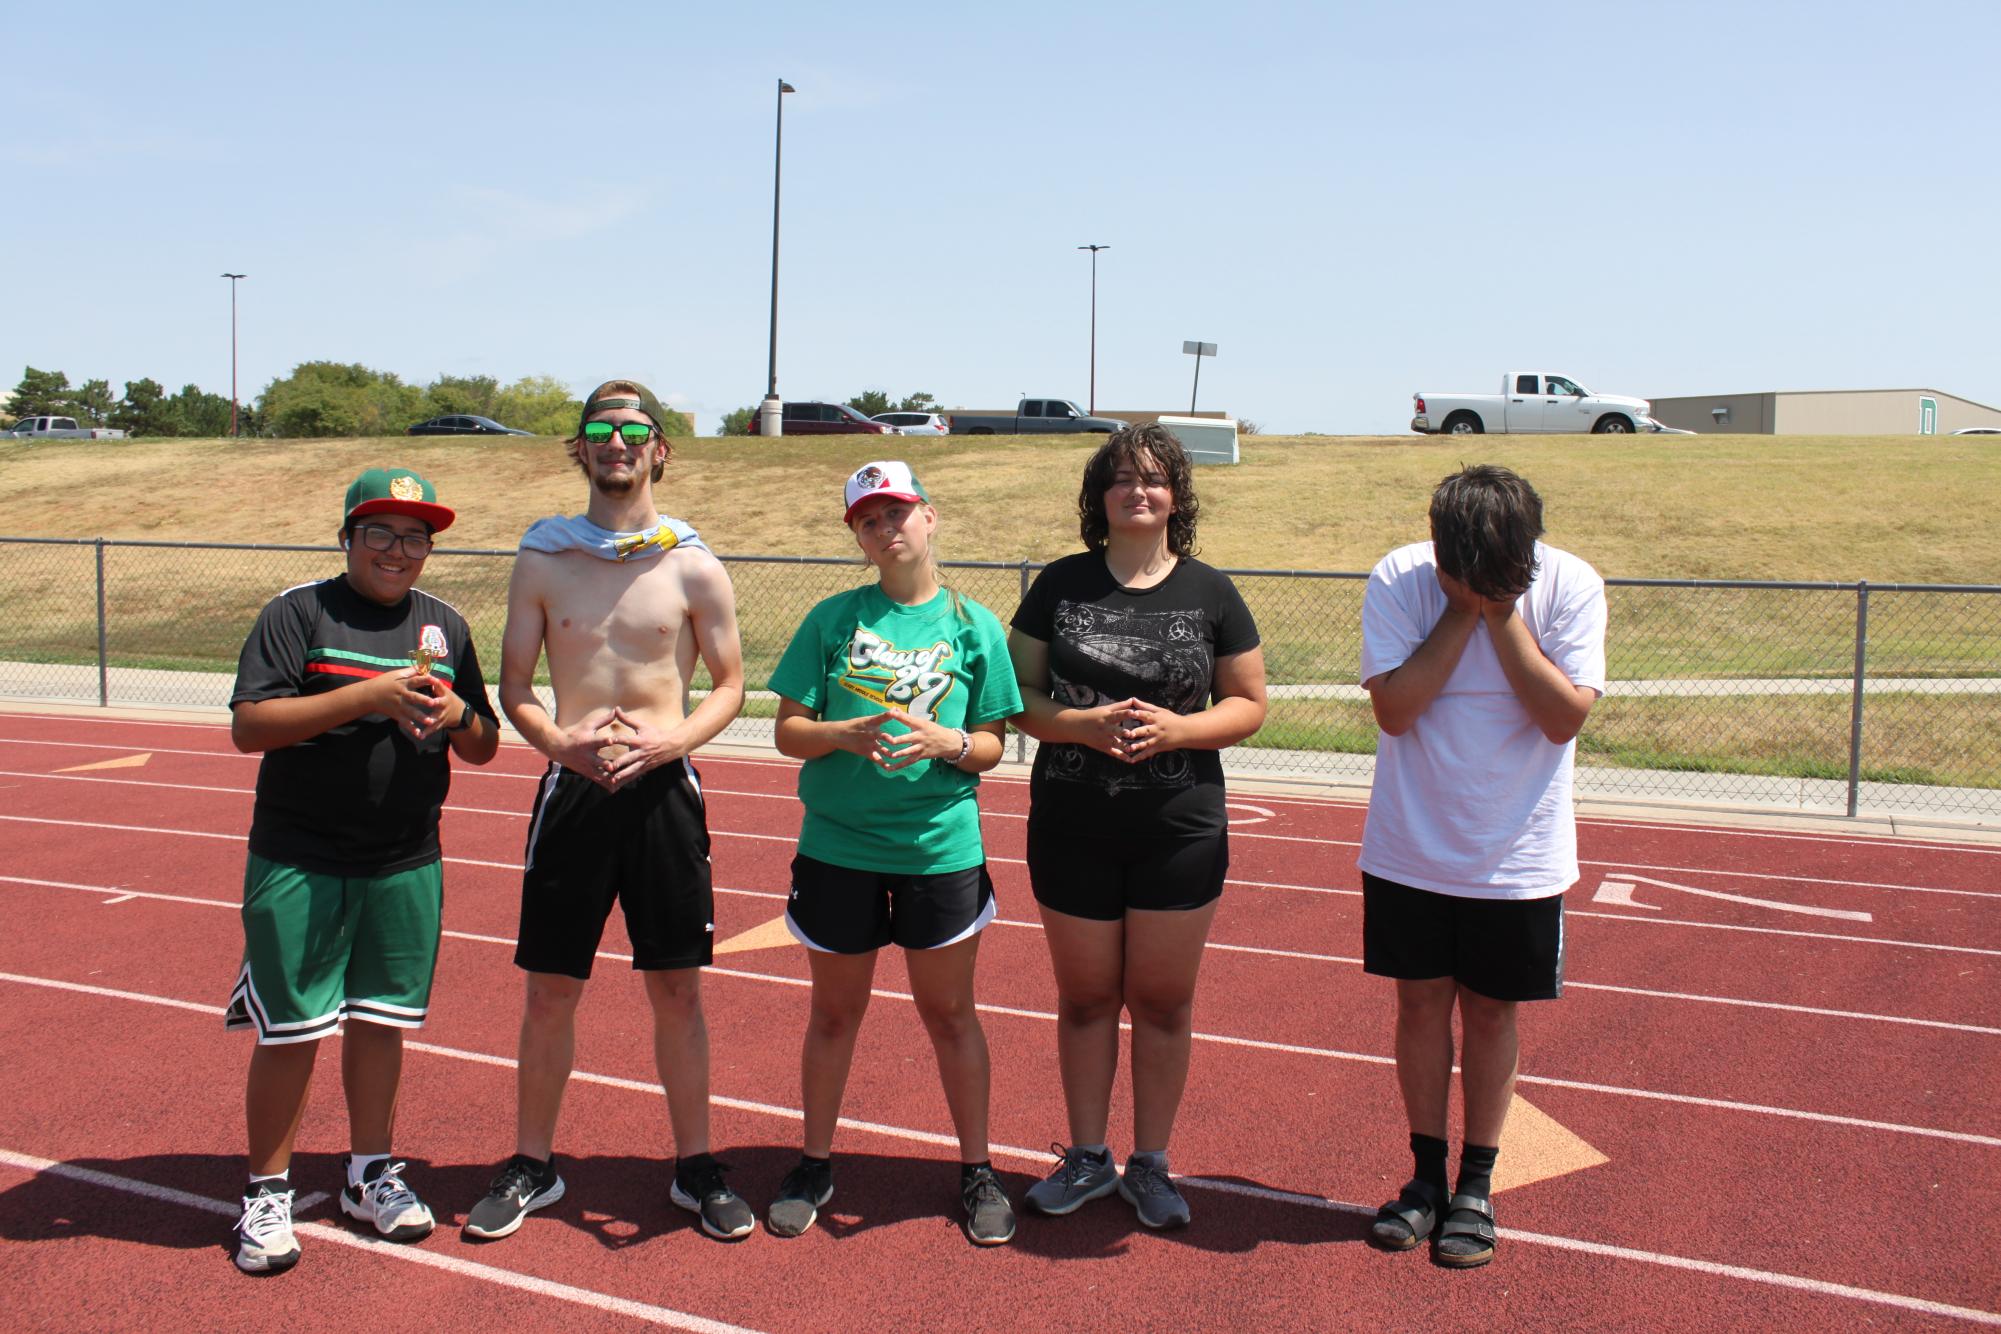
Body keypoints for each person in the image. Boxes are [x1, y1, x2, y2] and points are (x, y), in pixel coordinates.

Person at [464, 380, 751, 1243]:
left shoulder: (693, 562)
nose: (616, 443)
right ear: (580, 448)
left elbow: (732, 686)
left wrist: (669, 745)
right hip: (575, 791)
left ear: (659, 448)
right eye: (600, 430)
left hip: (666, 792)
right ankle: (532, 1164)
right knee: (551, 990)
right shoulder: (543, 559)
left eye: (634, 430)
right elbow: (516, 689)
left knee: (676, 988)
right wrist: (561, 748)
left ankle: (695, 1166)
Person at [224, 467, 500, 1274]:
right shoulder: (298, 610)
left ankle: (368, 1174)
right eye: (379, 532)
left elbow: (482, 742)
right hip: (300, 855)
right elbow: (251, 727)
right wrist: (367, 697)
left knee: (381, 1022)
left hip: (406, 858)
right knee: (292, 1031)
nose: (397, 549)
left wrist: (456, 715)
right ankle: (267, 1192)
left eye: (415, 536)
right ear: (346, 537)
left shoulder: (445, 624)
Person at [1008, 424, 1267, 1229]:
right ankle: (1087, 1156)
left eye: (1153, 479)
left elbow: (1249, 704)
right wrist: (1079, 728)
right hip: (1072, 825)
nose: (1137, 490)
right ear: (1100, 497)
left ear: (1175, 497)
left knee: (1160, 1002)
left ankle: (1150, 1162)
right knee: (1085, 999)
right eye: (1120, 478)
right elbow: (1016, 696)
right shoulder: (1059, 585)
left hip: (1177, 828)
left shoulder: (1211, 592)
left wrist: (1179, 731)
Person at [763, 461, 1024, 1245]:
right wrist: (845, 733)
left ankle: (977, 1168)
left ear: (929, 518)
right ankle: (813, 1161)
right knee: (834, 1012)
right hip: (839, 845)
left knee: (949, 1014)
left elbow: (992, 745)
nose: (887, 528)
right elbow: (786, 733)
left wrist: (951, 741)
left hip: (937, 848)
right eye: (868, 520)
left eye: (898, 512)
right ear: (858, 537)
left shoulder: (973, 625)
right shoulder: (832, 620)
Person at [1358, 464, 1606, 1269]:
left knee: (1493, 1015)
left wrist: (1499, 613)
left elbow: (1562, 717)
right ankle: (1425, 1181)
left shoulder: (1571, 584)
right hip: (1409, 846)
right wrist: (1460, 611)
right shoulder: (1401, 576)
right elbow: (1395, 711)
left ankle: (1475, 1187)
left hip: (1517, 854)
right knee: (1420, 1009)